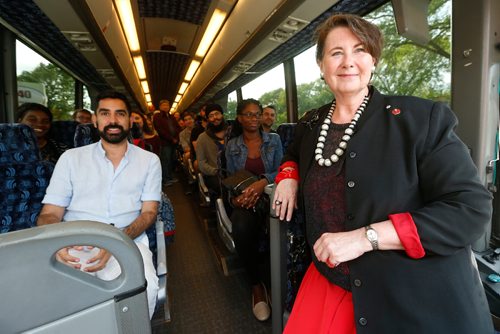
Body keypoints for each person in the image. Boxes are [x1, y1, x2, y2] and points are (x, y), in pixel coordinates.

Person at [272, 13, 493, 334]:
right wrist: (288, 174)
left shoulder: (421, 119)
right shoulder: (312, 122)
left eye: (360, 50)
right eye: (336, 53)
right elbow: (294, 151)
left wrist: (366, 238)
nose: (348, 61)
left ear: (373, 60)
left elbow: (471, 209)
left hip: (408, 296)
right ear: (321, 65)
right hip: (328, 283)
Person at [36, 90, 161, 319]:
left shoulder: (149, 161)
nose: (112, 121)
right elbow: (50, 213)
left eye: (120, 114)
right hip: (74, 241)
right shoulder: (71, 159)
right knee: (59, 303)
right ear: (95, 120)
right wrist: (57, 240)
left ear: (129, 119)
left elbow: (149, 212)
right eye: (105, 114)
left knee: (144, 290)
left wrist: (117, 241)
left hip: (127, 239)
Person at [225, 99, 283, 321]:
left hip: (271, 195)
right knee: (240, 225)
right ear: (239, 118)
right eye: (248, 115)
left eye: (257, 114)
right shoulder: (232, 146)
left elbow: (282, 170)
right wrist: (237, 199)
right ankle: (256, 285)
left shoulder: (274, 140)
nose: (253, 119)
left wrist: (261, 182)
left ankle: (283, 280)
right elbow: (231, 179)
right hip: (247, 201)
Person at [195, 103, 228, 194]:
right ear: (208, 119)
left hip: (235, 172)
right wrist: (216, 171)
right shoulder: (202, 138)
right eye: (211, 116)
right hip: (215, 174)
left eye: (217, 114)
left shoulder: (232, 132)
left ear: (222, 114)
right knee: (225, 187)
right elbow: (201, 163)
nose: (215, 118)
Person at [153, 99, 182, 186]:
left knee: (171, 160)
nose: (166, 107)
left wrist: (176, 138)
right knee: (165, 161)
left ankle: (170, 177)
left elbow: (177, 127)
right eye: (163, 105)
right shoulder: (157, 116)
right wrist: (171, 138)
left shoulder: (171, 116)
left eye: (167, 105)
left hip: (174, 142)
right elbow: (159, 129)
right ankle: (165, 179)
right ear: (160, 107)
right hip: (165, 142)